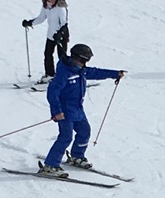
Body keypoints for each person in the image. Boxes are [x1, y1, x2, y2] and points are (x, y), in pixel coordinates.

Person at [40, 44, 123, 173]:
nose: (85, 64)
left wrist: (115, 74)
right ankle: (50, 165)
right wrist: (57, 111)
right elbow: (52, 92)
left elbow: (96, 72)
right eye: (84, 61)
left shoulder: (81, 70)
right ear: (76, 58)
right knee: (66, 137)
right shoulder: (64, 72)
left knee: (84, 132)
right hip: (64, 111)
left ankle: (77, 156)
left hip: (77, 109)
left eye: (87, 61)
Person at [22, 0, 70, 81]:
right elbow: (41, 18)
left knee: (62, 56)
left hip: (61, 36)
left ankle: (66, 75)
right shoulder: (46, 6)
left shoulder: (61, 7)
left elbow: (64, 23)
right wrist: (30, 23)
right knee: (48, 54)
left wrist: (60, 34)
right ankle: (50, 74)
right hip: (51, 35)